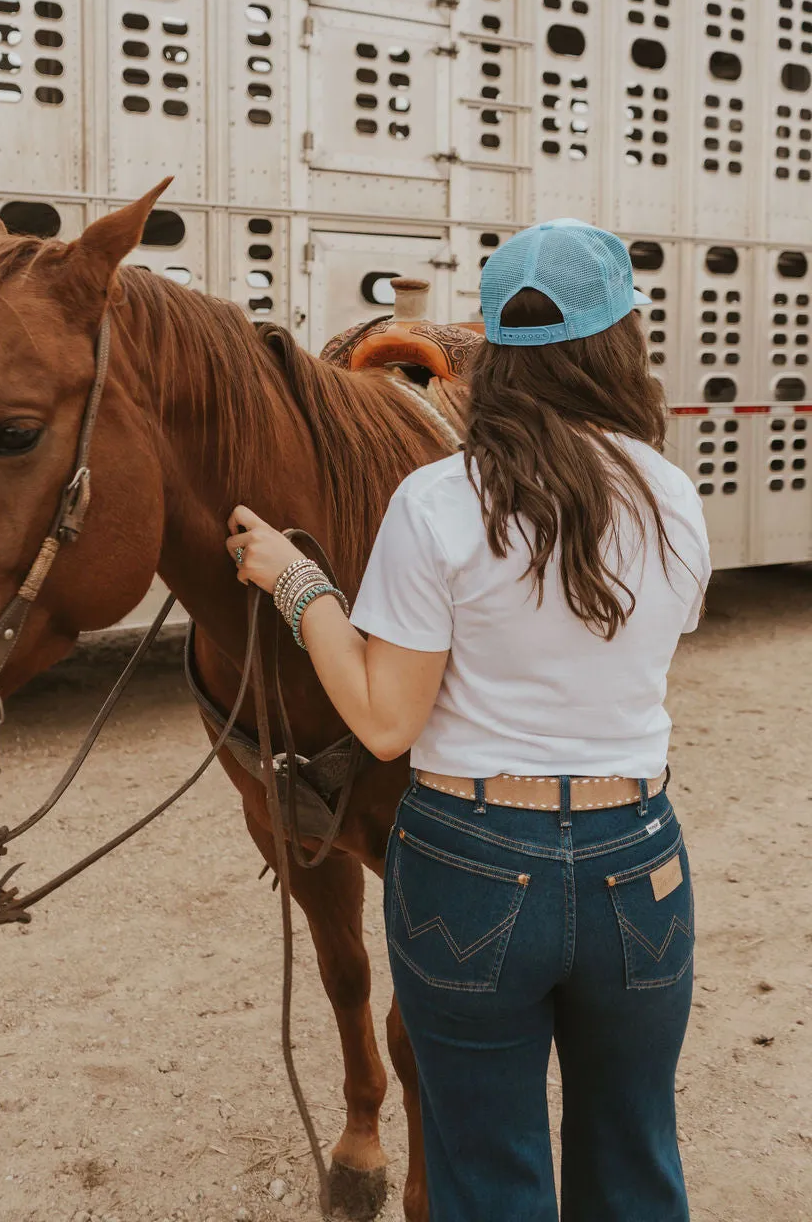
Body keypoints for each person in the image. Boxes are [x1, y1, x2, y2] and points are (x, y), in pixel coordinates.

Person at [227, 219, 710, 1222]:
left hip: (474, 862)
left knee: (486, 1177)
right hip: (640, 861)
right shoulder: (674, 497)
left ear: (486, 351)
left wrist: (300, 583)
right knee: (634, 1162)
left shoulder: (438, 501)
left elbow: (384, 722)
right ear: (623, 342)